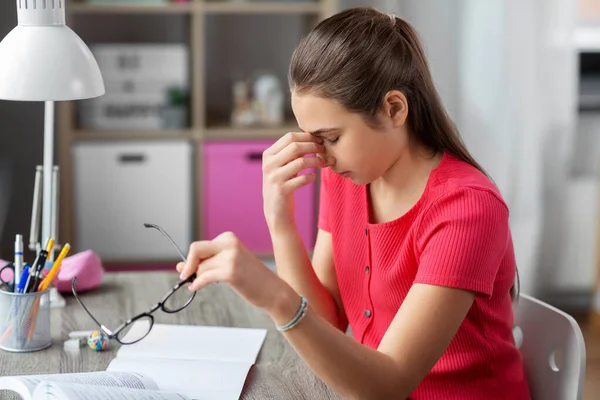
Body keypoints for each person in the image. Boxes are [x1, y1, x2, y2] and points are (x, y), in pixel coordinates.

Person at [177, 6, 531, 400]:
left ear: (394, 109)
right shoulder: (347, 179)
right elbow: (326, 318)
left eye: (331, 137)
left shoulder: (467, 209)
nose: (322, 156)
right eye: (312, 138)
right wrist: (278, 219)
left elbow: (389, 384)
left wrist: (276, 298)